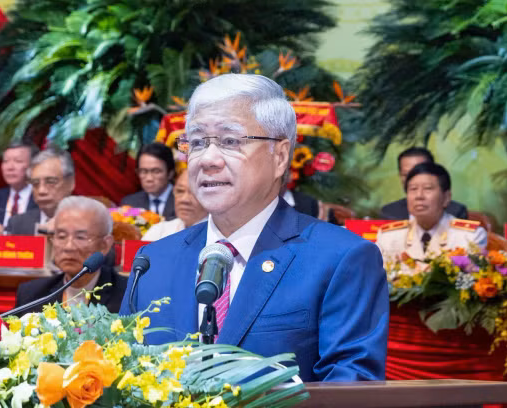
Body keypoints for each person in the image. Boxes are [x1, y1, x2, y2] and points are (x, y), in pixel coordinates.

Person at [121, 74, 389, 382]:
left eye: (230, 141)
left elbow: (349, 393)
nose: (207, 159)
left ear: (280, 156)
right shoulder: (152, 263)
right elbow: (124, 380)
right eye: (196, 142)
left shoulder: (341, 259)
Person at [14, 196, 126, 312]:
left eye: (80, 237)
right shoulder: (32, 295)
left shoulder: (128, 294)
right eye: (61, 236)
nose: (69, 247)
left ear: (105, 245)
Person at [376, 162, 486, 261]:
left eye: (428, 188)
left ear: (446, 197)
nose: (419, 196)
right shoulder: (389, 237)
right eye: (413, 189)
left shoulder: (469, 237)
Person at [380, 147, 468, 220]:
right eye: (407, 175)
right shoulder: (390, 213)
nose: (413, 179)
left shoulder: (455, 211)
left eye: (419, 172)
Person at [7, 148, 75, 236]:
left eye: (50, 181)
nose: (41, 191)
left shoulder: (88, 221)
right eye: (35, 183)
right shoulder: (18, 224)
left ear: (70, 183)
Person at [0, 140, 39, 231]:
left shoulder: (41, 199)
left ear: (33, 166)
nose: (10, 167)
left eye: (18, 161)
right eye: (5, 161)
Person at [143, 168, 206, 241]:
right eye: (180, 191)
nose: (184, 199)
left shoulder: (215, 235)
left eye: (194, 192)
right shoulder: (159, 230)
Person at [121, 142, 177, 219]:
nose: (149, 178)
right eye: (143, 171)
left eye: (156, 171)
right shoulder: (130, 204)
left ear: (170, 173)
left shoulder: (185, 201)